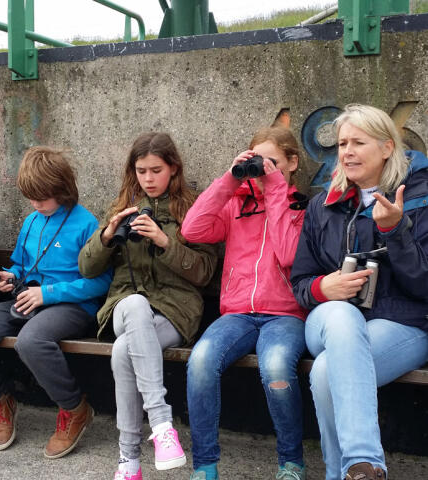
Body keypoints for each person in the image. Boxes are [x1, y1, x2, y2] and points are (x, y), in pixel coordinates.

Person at [290, 104, 428, 480]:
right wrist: (323, 286)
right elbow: (301, 282)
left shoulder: (420, 196)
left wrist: (395, 231)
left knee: (324, 374)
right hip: (329, 319)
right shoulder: (322, 205)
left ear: (387, 147)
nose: (347, 152)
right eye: (342, 144)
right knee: (343, 314)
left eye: (358, 143)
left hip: (403, 322)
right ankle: (366, 459)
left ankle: (348, 473)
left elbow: (423, 284)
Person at [0, 146, 111, 458]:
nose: (36, 204)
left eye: (43, 197)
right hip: (27, 299)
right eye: (31, 198)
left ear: (63, 188)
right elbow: (21, 265)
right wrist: (9, 276)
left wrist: (47, 294)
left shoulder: (87, 224)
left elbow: (101, 282)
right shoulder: (32, 221)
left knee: (31, 341)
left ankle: (75, 409)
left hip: (72, 306)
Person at [78, 132, 217, 480]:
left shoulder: (193, 209)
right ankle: (162, 424)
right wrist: (107, 236)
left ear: (174, 168)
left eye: (156, 170)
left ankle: (129, 461)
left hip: (175, 310)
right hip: (123, 306)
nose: (148, 179)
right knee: (136, 304)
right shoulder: (123, 205)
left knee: (122, 351)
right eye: (141, 171)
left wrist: (165, 242)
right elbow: (86, 268)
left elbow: (204, 272)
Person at [181, 126, 308, 480]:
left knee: (276, 366)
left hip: (285, 314)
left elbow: (289, 255)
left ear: (292, 163)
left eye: (272, 162)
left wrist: (276, 189)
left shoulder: (302, 207)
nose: (263, 169)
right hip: (238, 313)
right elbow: (191, 230)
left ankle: (291, 463)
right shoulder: (236, 204)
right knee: (201, 360)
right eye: (257, 161)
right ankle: (205, 466)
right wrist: (229, 180)